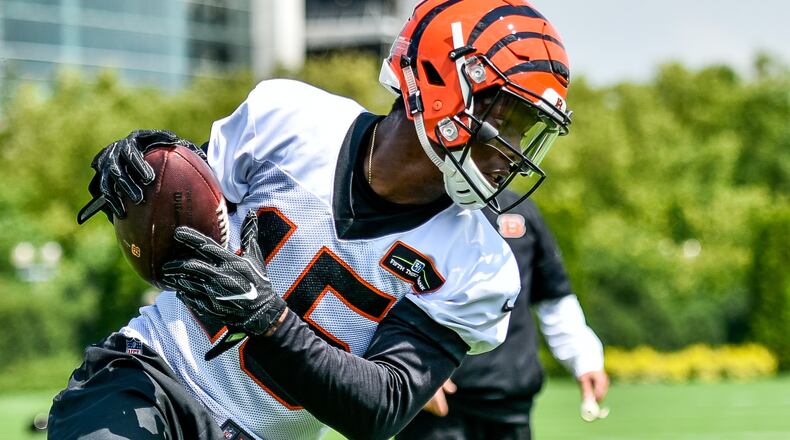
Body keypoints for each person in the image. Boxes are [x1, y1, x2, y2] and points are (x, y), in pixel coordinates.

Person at [48, 1, 573, 439]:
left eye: (525, 131)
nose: (512, 150)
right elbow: (184, 224)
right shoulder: (290, 119)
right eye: (508, 120)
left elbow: (379, 408)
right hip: (154, 374)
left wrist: (271, 321)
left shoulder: (477, 264)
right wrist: (144, 176)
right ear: (443, 80)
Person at [398, 191, 608, 440]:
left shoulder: (522, 210)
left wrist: (585, 359)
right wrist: (413, 372)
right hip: (437, 405)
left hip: (510, 402)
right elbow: (388, 298)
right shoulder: (419, 205)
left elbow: (554, 296)